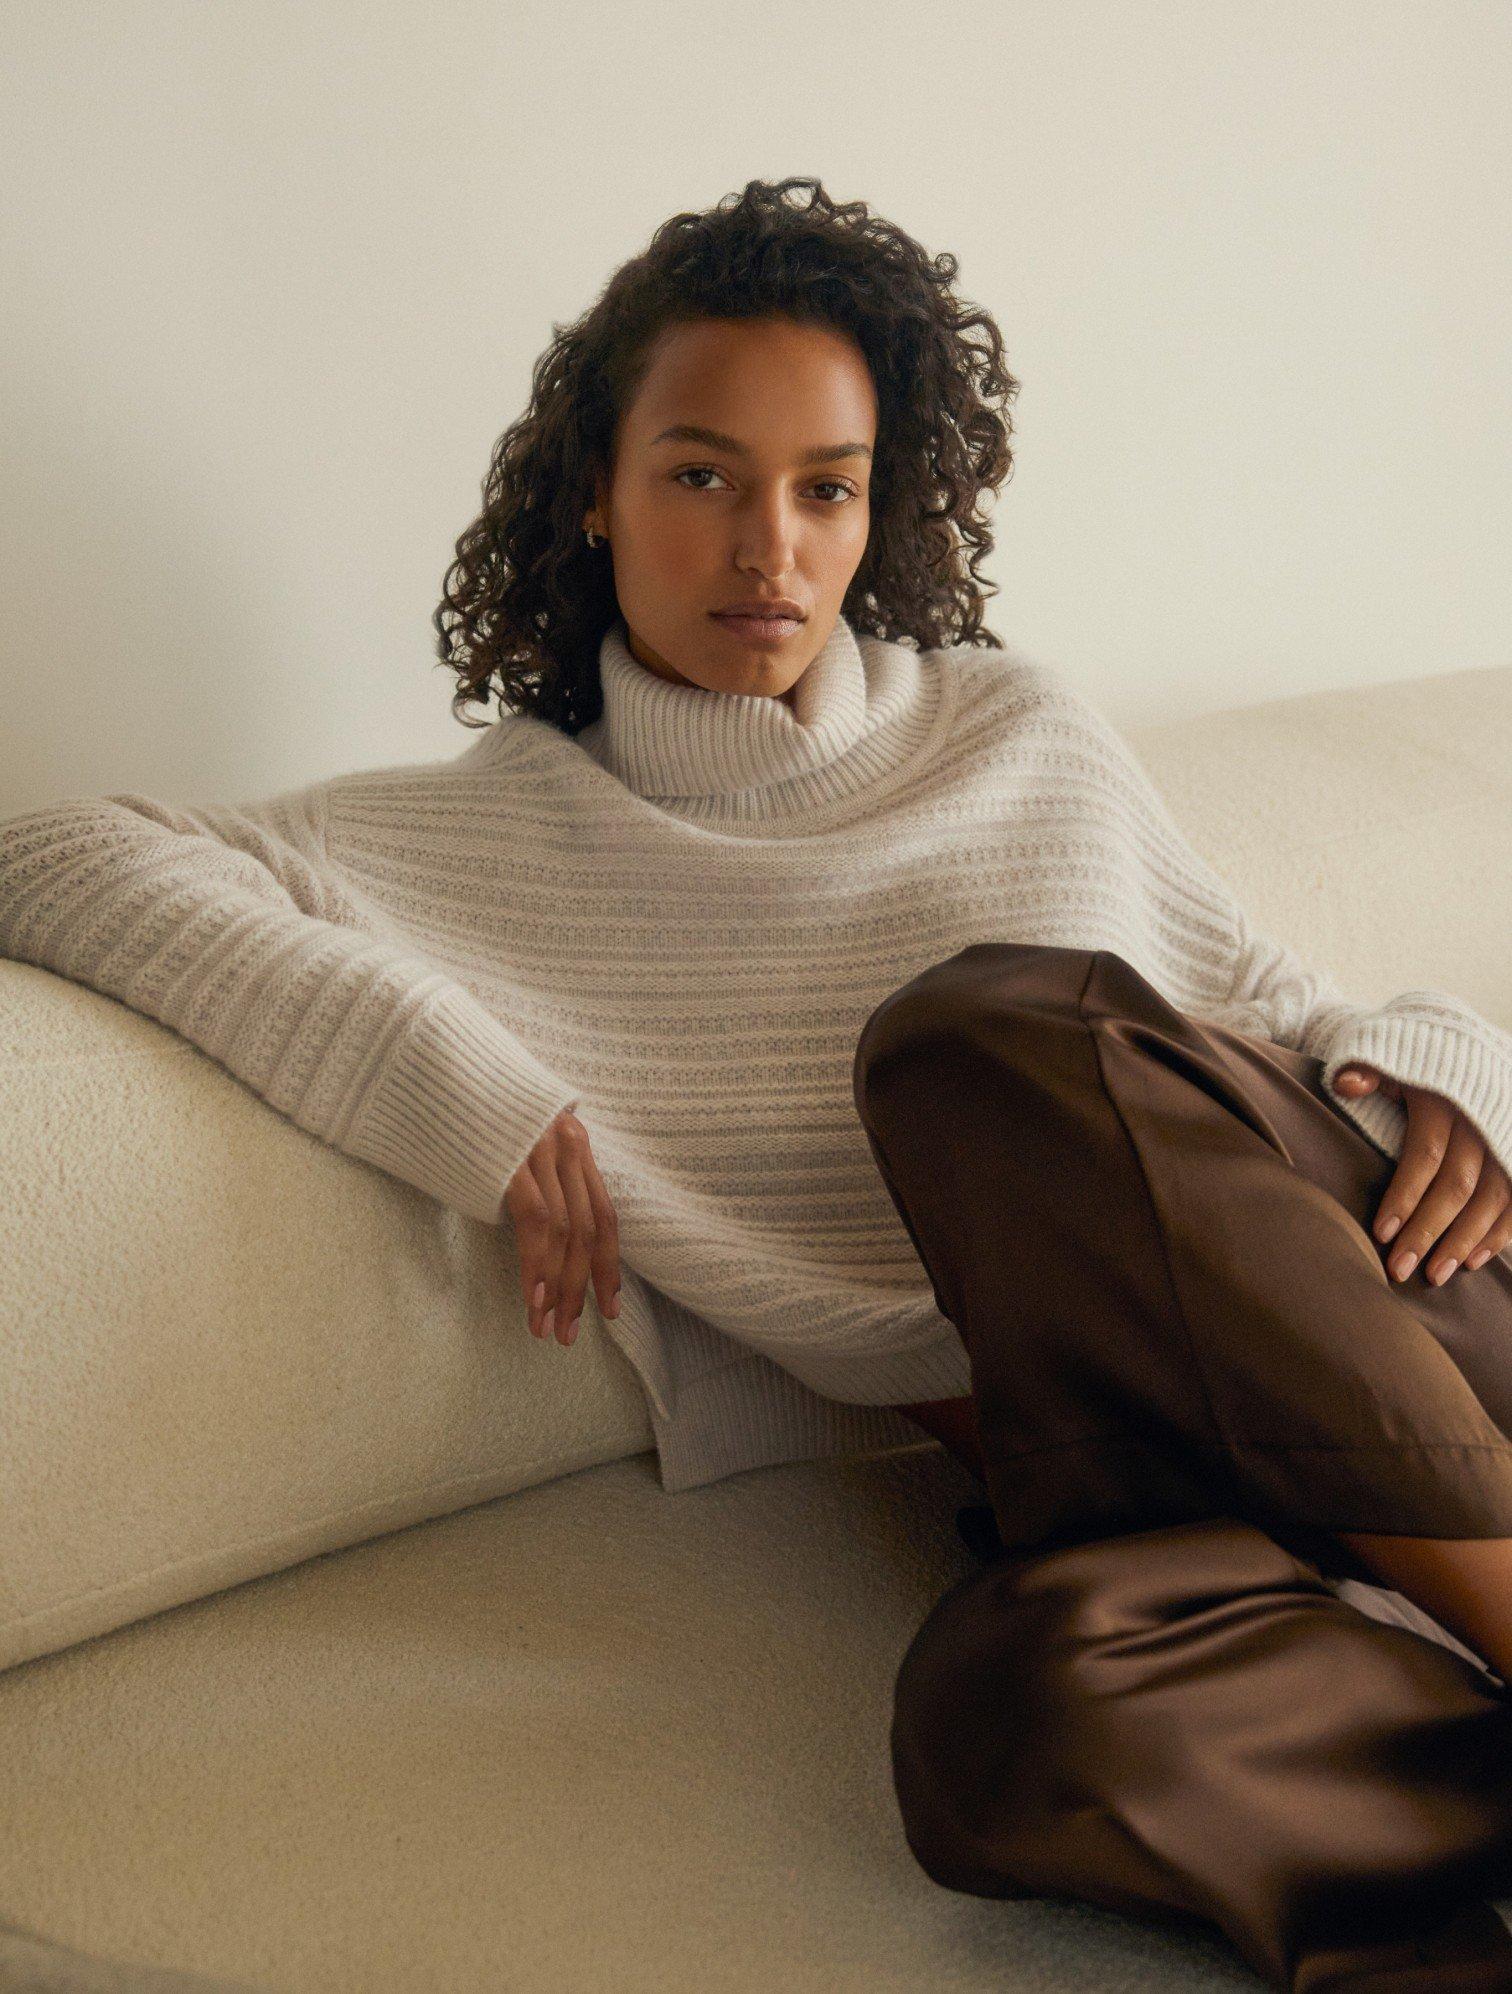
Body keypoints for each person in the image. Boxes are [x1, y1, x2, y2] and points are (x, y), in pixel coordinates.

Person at [6, 175, 1512, 1985]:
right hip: (1115, 1476)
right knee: (1000, 1728)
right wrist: (451, 1080)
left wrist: (1451, 1070)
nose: (768, 551)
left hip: (1409, 1324)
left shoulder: (1010, 726)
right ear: (594, 488)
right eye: (703, 475)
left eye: (827, 489)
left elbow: (1277, 1003)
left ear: (884, 507)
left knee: (977, 1045)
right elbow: (59, 857)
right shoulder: (493, 844)